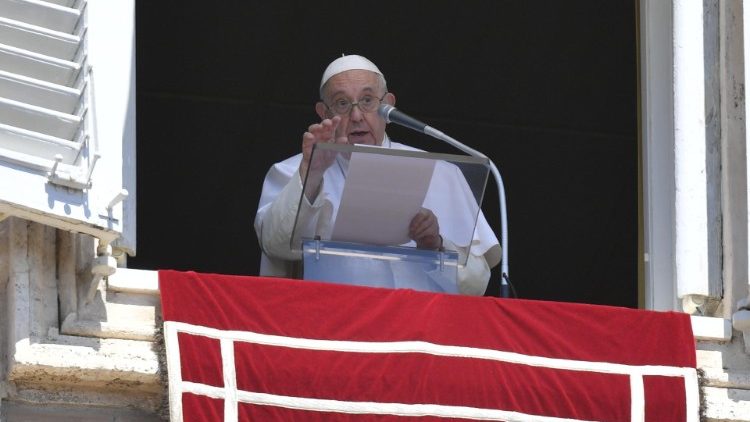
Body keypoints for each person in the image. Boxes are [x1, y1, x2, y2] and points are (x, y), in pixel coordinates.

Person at [254, 55, 501, 295]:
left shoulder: (443, 173)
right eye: (342, 103)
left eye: (368, 100)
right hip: (333, 328)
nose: (357, 116)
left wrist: (435, 246)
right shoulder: (293, 171)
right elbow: (275, 246)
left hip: (419, 329)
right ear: (324, 113)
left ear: (388, 105)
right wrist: (313, 172)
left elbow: (477, 284)